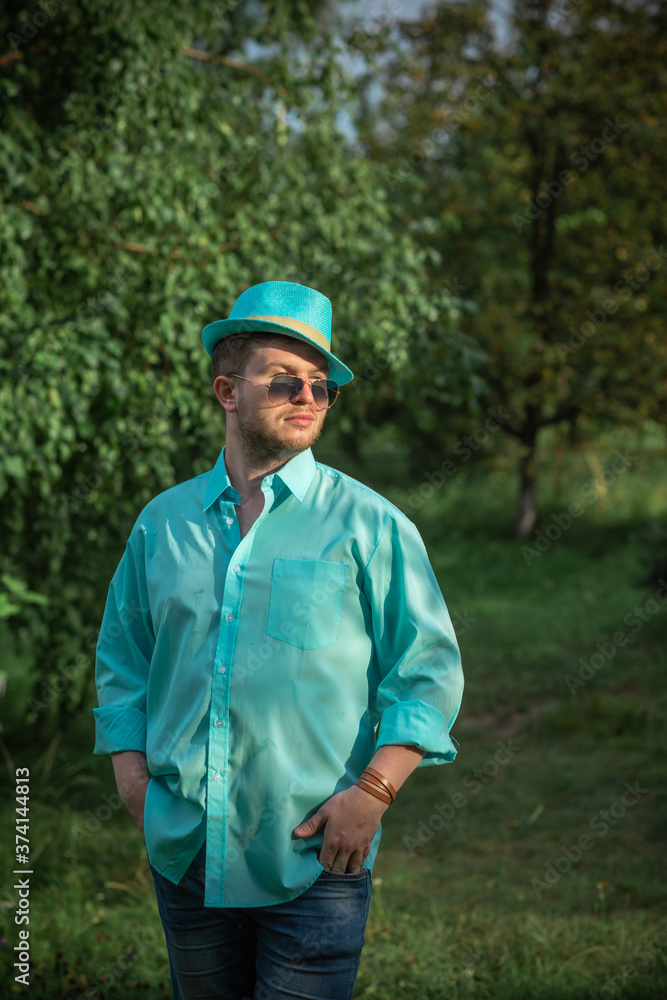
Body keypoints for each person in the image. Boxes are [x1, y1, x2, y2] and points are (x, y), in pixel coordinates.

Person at [93, 279, 464, 1000]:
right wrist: (134, 781)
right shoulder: (161, 523)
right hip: (188, 849)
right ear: (227, 392)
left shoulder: (372, 526)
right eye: (284, 380)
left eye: (320, 386)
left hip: (315, 852)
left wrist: (374, 793)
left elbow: (425, 673)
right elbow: (122, 659)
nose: (307, 397)